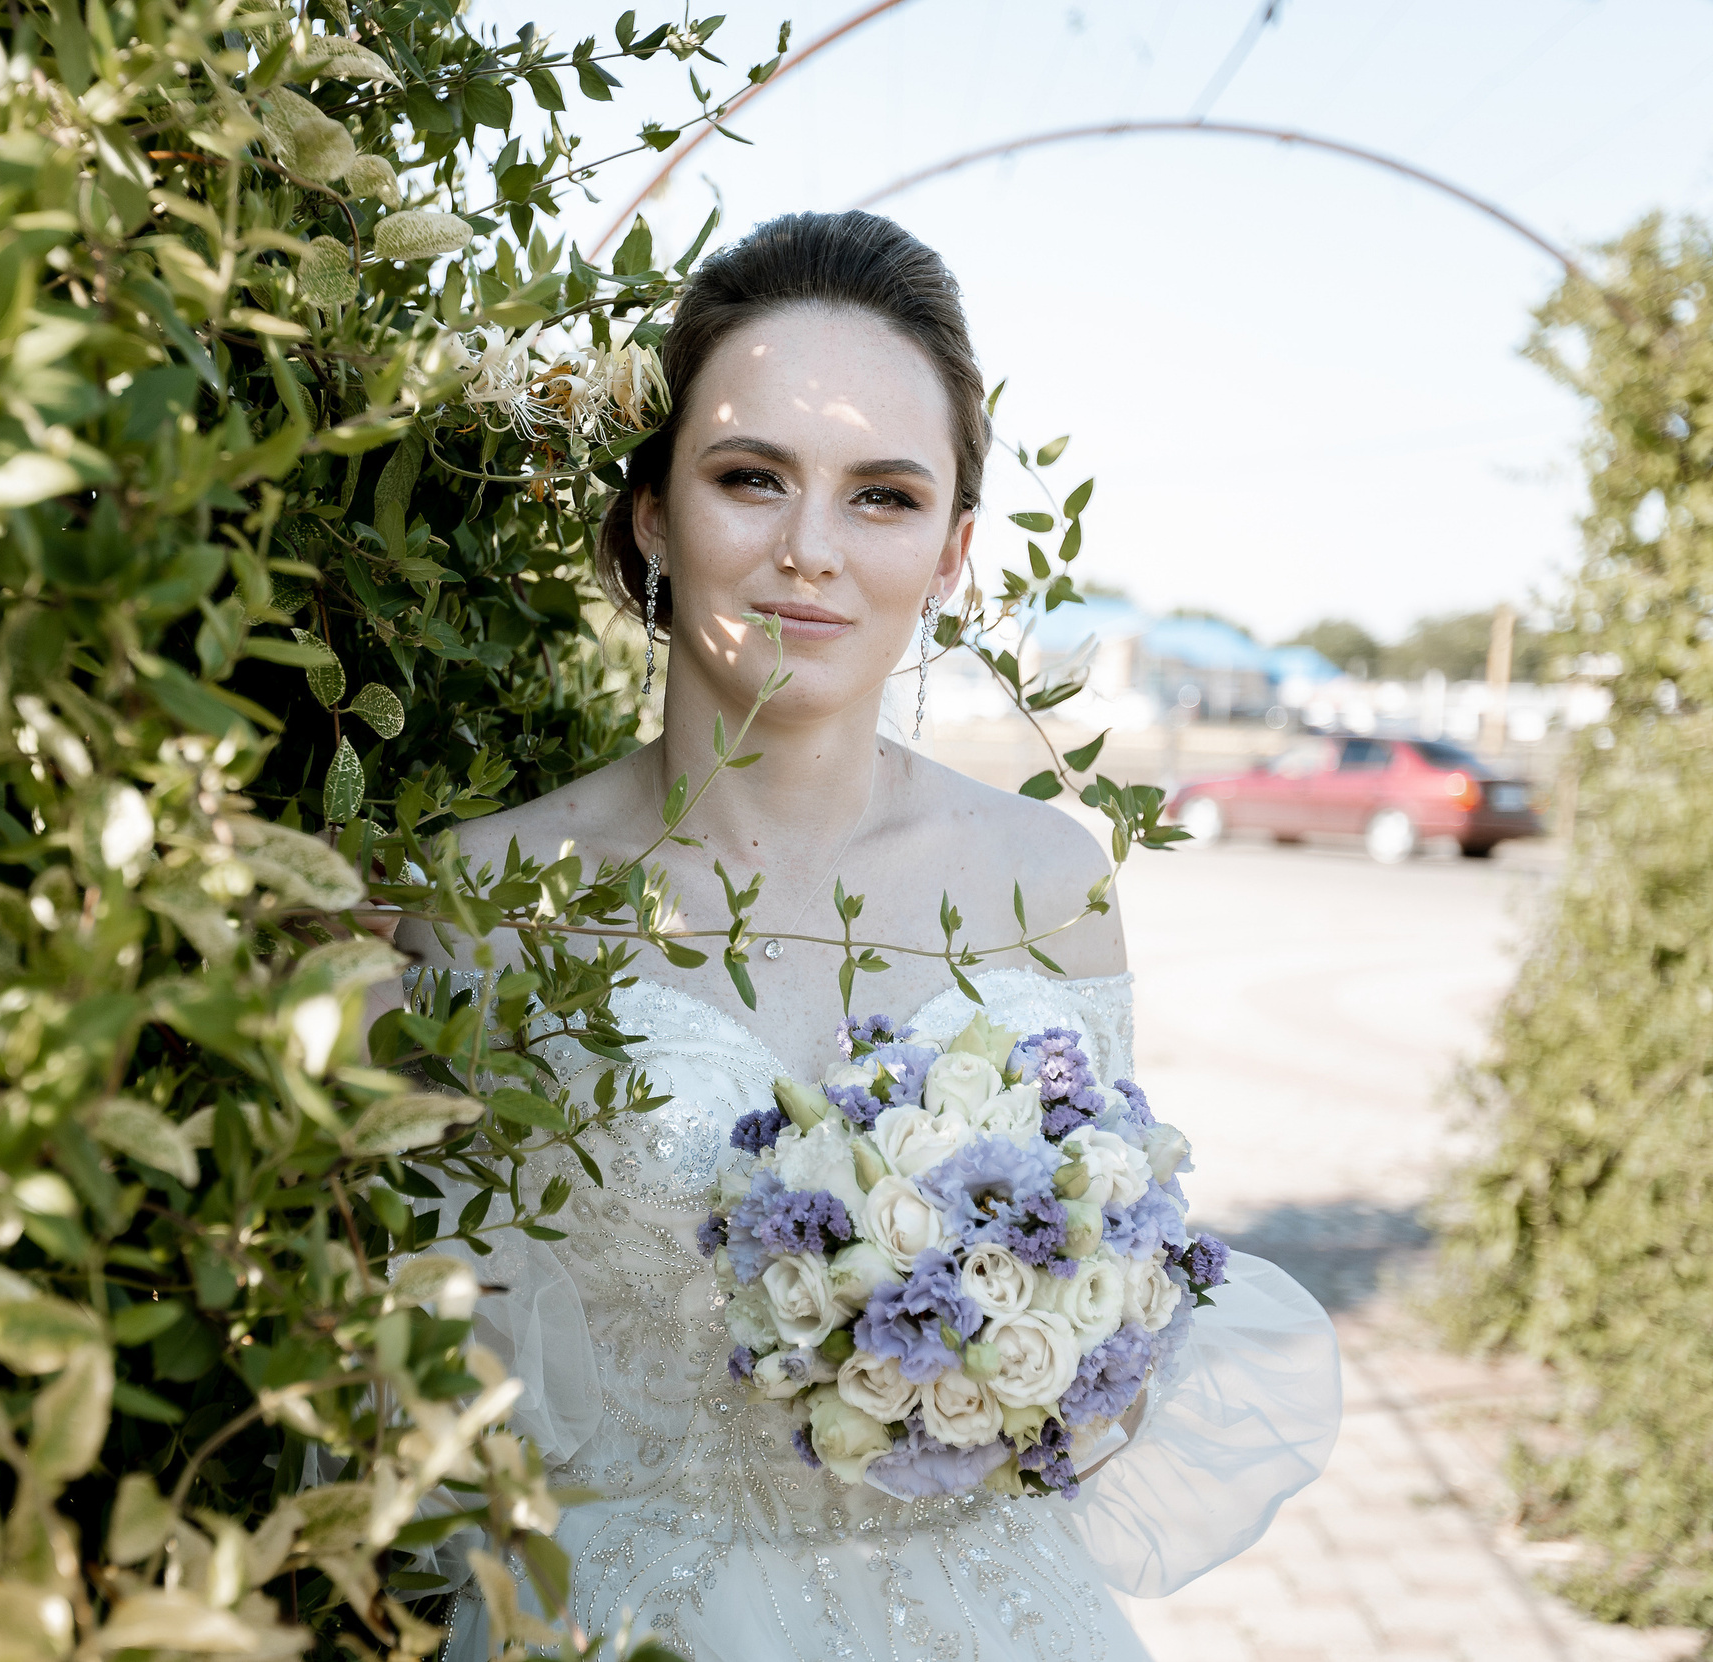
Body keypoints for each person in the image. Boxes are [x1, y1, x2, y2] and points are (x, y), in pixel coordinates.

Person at [386, 212, 1341, 1662]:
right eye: (750, 477)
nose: (809, 551)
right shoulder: (486, 895)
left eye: (882, 496)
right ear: (653, 515)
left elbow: (1112, 1277)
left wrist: (1064, 1348)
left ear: (955, 551)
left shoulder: (1048, 882)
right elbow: (417, 1393)